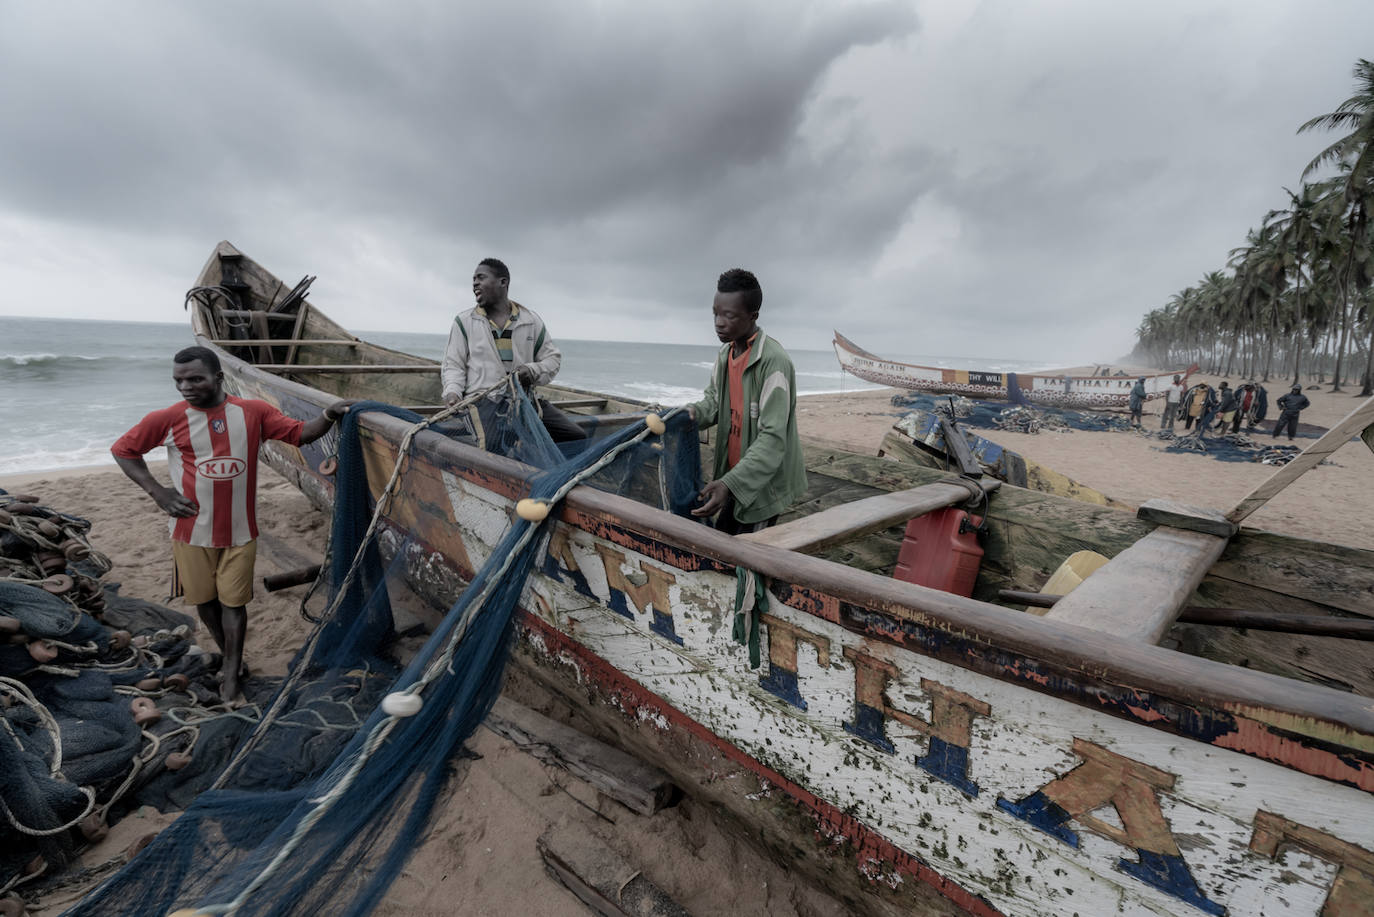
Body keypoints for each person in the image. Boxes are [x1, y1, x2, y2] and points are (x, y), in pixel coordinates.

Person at [112, 346, 353, 702]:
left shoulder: (251, 412)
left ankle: (231, 672)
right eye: (178, 380)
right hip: (190, 530)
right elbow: (123, 450)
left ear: (219, 378)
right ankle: (230, 658)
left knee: (234, 603)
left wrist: (330, 415)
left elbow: (300, 433)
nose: (185, 387)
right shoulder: (167, 418)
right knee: (205, 600)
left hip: (241, 531)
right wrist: (158, 492)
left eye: (195, 378)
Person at [686, 269, 806, 534]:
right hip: (734, 475)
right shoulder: (724, 354)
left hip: (763, 484)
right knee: (724, 545)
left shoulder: (774, 363)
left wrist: (729, 484)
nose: (719, 322)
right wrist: (690, 413)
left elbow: (773, 438)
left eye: (729, 315)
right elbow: (714, 402)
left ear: (753, 316)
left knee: (749, 560)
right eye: (715, 313)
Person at [440, 258, 586, 443]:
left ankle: (527, 455)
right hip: (481, 403)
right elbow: (453, 365)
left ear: (503, 282)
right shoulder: (465, 321)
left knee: (574, 436)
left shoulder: (530, 319)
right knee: (492, 447)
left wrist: (532, 371)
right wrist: (453, 393)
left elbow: (552, 359)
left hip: (524, 402)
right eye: (473, 279)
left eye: (481, 277)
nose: (475, 283)